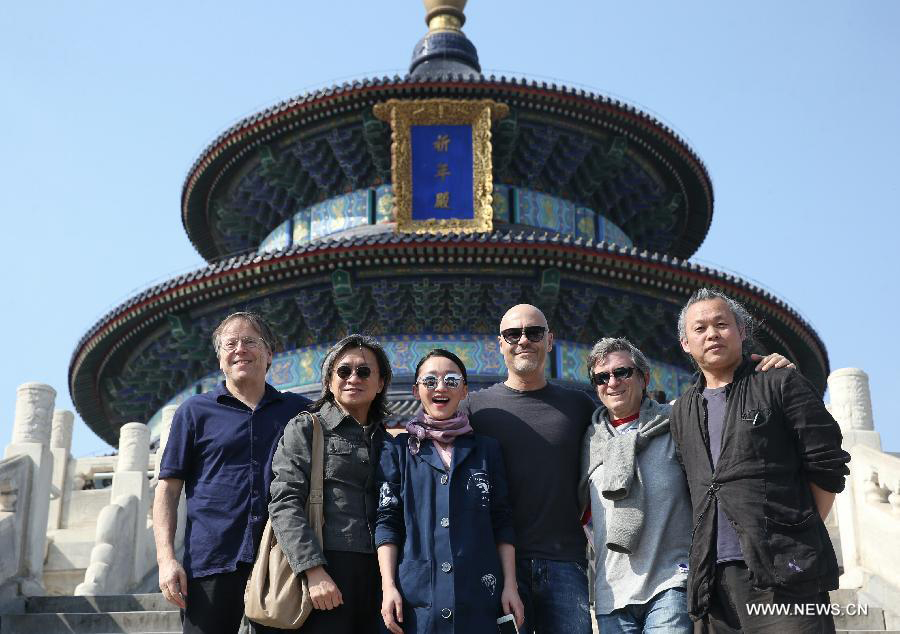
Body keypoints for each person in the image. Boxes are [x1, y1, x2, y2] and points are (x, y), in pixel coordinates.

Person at [580, 337, 792, 633]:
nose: (612, 382)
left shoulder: (679, 421)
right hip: (611, 594)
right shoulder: (588, 441)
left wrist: (767, 376)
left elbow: (728, 406)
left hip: (671, 583)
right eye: (602, 378)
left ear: (644, 378)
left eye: (622, 372)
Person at [671, 288, 851, 633]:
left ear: (741, 331)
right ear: (685, 343)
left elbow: (827, 464)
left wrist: (794, 530)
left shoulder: (779, 381)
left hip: (784, 575)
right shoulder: (683, 410)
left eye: (721, 324)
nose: (712, 334)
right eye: (700, 328)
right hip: (712, 586)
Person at [153, 311, 311, 634]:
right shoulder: (194, 412)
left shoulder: (298, 412)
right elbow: (168, 490)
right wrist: (166, 559)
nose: (240, 349)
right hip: (211, 560)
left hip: (280, 560)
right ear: (220, 359)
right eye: (230, 344)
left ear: (269, 354)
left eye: (250, 341)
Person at [464, 304, 595, 634]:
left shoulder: (579, 407)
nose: (523, 340)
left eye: (534, 333)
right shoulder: (475, 410)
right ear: (500, 344)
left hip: (566, 562)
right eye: (513, 334)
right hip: (496, 566)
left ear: (549, 340)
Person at [376, 349, 525, 633]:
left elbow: (501, 520)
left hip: (478, 595)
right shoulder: (397, 451)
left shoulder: (486, 450)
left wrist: (510, 584)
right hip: (417, 601)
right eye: (430, 381)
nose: (441, 387)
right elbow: (387, 521)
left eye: (452, 380)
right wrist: (388, 586)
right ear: (416, 390)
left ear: (465, 390)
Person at [252, 334, 391, 634]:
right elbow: (284, 501)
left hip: (376, 574)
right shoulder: (307, 427)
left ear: (380, 383)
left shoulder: (386, 441)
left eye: (364, 371)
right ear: (329, 381)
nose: (353, 378)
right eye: (343, 371)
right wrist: (313, 570)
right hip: (325, 567)